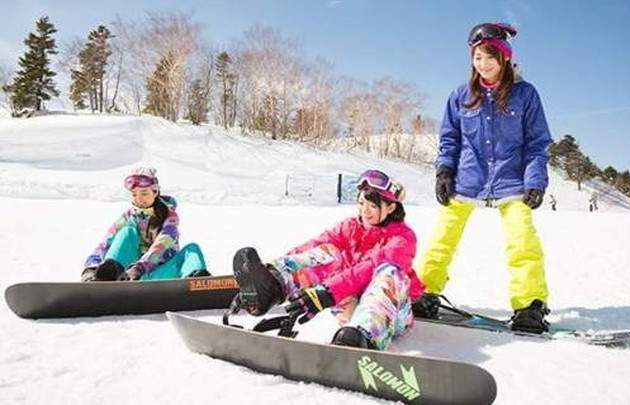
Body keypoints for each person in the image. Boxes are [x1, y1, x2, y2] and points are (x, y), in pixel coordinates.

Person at [413, 22, 552, 334]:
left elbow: (537, 143)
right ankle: (424, 293)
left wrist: (535, 180)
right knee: (442, 238)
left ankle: (529, 305)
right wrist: (444, 171)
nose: (483, 64)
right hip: (468, 179)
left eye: (490, 57)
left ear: (504, 57)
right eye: (477, 57)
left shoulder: (525, 94)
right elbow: (449, 139)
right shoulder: (460, 96)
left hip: (511, 181)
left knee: (522, 242)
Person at [232, 169, 424, 350]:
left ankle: (363, 337)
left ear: (390, 207)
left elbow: (370, 267)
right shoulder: (350, 227)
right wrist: (273, 271)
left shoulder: (403, 238)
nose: (365, 211)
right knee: (328, 252)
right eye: (361, 203)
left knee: (389, 270)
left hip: (390, 313)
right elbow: (314, 246)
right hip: (350, 303)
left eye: (373, 206)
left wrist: (328, 293)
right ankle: (273, 287)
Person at [81, 167, 210, 282]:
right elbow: (106, 243)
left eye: (144, 193)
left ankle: (197, 282)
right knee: (127, 232)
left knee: (192, 248)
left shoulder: (169, 217)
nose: (139, 199)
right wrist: (91, 268)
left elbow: (162, 244)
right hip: (129, 277)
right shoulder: (128, 217)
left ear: (155, 192)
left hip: (160, 273)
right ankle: (109, 275)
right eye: (134, 194)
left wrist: (139, 268)